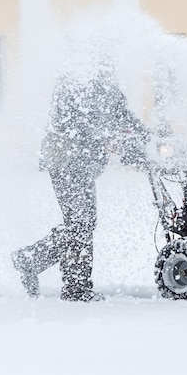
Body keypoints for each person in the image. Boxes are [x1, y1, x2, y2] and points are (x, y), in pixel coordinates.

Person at [11, 64, 151, 302]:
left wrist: (151, 140)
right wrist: (106, 136)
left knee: (81, 224)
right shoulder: (72, 79)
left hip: (83, 165)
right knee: (81, 223)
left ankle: (36, 263)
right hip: (65, 160)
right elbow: (74, 120)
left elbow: (124, 116)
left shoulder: (107, 84)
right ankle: (72, 285)